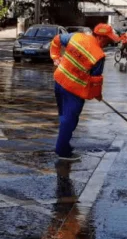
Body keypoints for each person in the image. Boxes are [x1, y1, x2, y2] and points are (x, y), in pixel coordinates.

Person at [50, 23, 120, 161]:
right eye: (108, 40)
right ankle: (62, 151)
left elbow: (56, 40)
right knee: (70, 120)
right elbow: (95, 80)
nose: (108, 43)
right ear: (101, 37)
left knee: (64, 117)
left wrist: (55, 57)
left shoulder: (76, 37)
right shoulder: (99, 55)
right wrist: (97, 94)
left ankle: (64, 144)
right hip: (74, 90)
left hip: (59, 81)